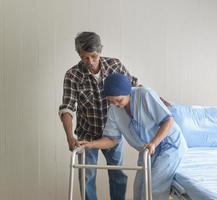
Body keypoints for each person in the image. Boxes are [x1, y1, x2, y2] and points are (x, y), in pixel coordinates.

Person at [79, 74, 187, 200]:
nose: (116, 104)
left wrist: (153, 143)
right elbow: (112, 139)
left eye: (118, 100)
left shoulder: (145, 95)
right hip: (147, 150)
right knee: (138, 189)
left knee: (153, 189)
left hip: (169, 146)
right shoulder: (114, 110)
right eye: (111, 101)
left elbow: (168, 121)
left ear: (128, 91)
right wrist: (90, 144)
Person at [58, 32, 138, 200]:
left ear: (100, 51)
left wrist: (157, 100)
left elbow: (135, 87)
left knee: (118, 175)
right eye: (85, 58)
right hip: (87, 134)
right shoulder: (72, 75)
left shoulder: (114, 65)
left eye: (94, 56)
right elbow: (67, 108)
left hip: (113, 133)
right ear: (79, 55)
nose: (90, 62)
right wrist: (69, 137)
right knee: (86, 177)